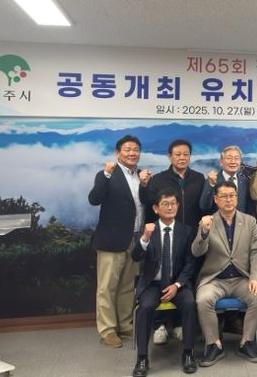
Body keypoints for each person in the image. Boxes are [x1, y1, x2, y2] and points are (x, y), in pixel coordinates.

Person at [192, 181, 257, 366]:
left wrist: (255, 278)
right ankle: (214, 344)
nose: (228, 199)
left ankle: (246, 342)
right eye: (224, 196)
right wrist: (204, 232)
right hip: (215, 279)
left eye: (232, 195)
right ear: (216, 199)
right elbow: (197, 252)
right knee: (203, 300)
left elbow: (256, 252)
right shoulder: (207, 221)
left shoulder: (249, 221)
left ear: (237, 198)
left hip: (241, 278)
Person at [139, 138, 205, 345]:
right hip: (163, 236)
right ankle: (159, 325)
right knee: (162, 279)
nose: (182, 158)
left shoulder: (199, 178)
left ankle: (179, 324)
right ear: (170, 156)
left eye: (186, 154)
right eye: (178, 154)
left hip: (189, 238)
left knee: (184, 281)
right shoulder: (159, 179)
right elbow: (148, 206)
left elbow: (204, 206)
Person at [88, 135, 151, 348]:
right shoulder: (107, 174)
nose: (132, 153)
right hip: (111, 240)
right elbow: (94, 199)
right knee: (107, 287)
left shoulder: (141, 175)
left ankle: (124, 325)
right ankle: (107, 330)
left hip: (135, 238)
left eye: (136, 150)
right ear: (117, 153)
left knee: (126, 286)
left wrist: (145, 185)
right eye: (127, 149)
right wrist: (106, 175)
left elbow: (146, 203)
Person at [131, 189, 197, 377]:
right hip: (153, 284)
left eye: (173, 203)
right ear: (156, 208)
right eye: (165, 204)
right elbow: (135, 256)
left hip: (177, 284)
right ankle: (142, 358)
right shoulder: (148, 229)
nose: (170, 207)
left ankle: (188, 353)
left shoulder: (186, 231)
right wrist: (144, 238)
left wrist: (177, 285)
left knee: (190, 303)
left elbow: (190, 263)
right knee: (145, 307)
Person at [199, 145, 254, 217]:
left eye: (236, 158)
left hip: (241, 223)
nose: (233, 161)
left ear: (240, 162)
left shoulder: (245, 182)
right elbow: (204, 207)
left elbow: (249, 209)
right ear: (221, 162)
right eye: (229, 158)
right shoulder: (211, 181)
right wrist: (211, 184)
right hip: (218, 223)